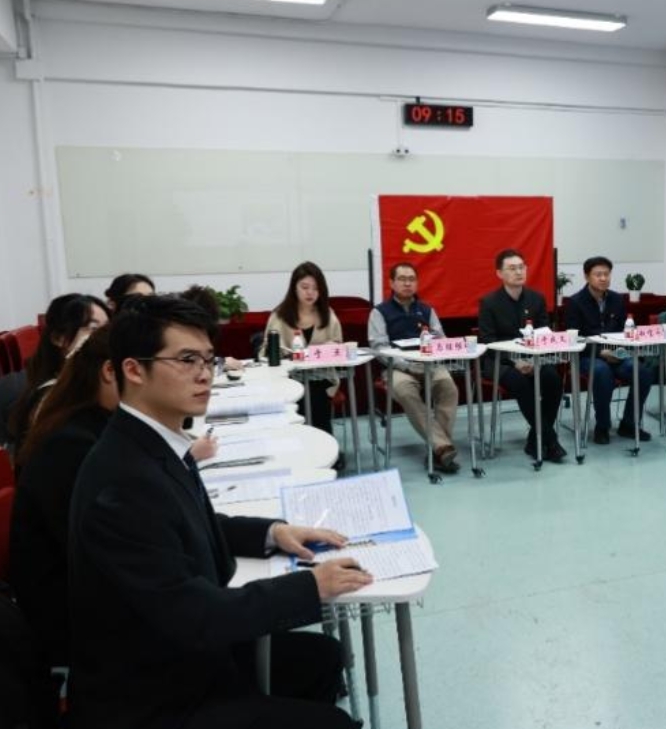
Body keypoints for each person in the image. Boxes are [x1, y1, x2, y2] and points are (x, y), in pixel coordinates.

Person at [67, 295, 370, 729]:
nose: (205, 374)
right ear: (133, 370)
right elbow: (194, 615)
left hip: (181, 656)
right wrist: (311, 586)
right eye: (186, 360)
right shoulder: (123, 481)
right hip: (153, 697)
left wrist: (273, 533)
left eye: (208, 359)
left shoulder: (153, 441)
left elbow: (188, 524)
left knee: (322, 657)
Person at [9, 328, 116, 666]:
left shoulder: (93, 422)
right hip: (71, 618)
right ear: (111, 372)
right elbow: (106, 551)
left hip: (87, 593)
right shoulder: (73, 444)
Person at [369, 262, 461, 473]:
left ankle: (438, 450)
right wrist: (406, 366)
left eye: (411, 279)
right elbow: (379, 348)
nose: (407, 283)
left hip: (429, 364)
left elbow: (441, 338)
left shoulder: (427, 310)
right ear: (392, 283)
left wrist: (434, 354)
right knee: (405, 391)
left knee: (448, 387)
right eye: (402, 279)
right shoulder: (379, 312)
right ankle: (441, 447)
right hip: (397, 368)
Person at [477, 249, 566, 462]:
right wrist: (515, 361)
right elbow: (488, 342)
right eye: (512, 268)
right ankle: (550, 440)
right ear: (499, 273)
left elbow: (544, 333)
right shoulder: (489, 302)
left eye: (521, 267)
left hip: (533, 358)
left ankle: (535, 440)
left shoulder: (536, 299)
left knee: (552, 379)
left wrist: (533, 360)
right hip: (500, 361)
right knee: (520, 382)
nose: (518, 272)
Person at [565, 256, 656, 444]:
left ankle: (629, 424)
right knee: (601, 371)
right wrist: (600, 352)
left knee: (643, 372)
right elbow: (574, 338)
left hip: (616, 354)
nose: (603, 278)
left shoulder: (616, 299)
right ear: (587, 276)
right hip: (588, 356)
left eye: (606, 274)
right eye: (598, 274)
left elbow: (625, 331)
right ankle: (602, 426)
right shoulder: (575, 302)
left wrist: (620, 351)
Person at [7, 293, 111, 447]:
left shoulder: (94, 384)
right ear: (58, 338)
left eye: (107, 328)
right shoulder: (50, 395)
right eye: (93, 329)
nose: (104, 337)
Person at [261, 262, 343, 436]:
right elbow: (267, 353)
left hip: (321, 377)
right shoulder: (280, 316)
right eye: (305, 287)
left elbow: (338, 347)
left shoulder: (327, 314)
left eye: (315, 288)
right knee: (304, 395)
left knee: (316, 395)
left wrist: (333, 346)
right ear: (294, 288)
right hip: (289, 378)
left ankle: (324, 445)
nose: (310, 292)